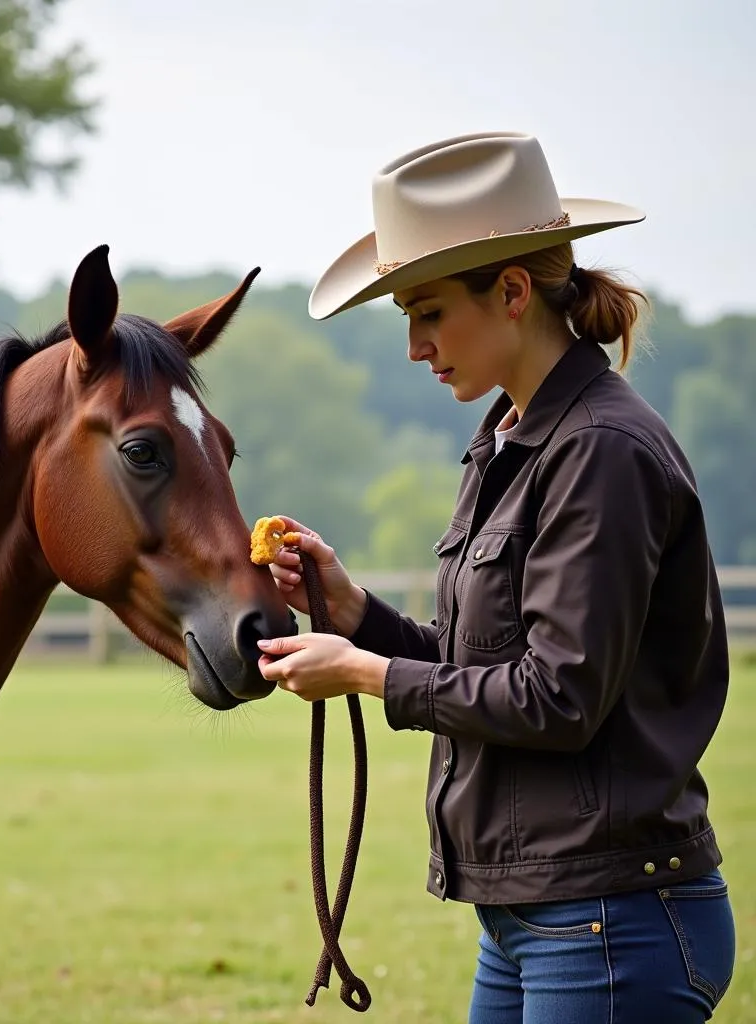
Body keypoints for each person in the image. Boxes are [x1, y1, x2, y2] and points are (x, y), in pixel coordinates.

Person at [255, 131, 736, 1023]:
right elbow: (482, 661)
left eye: (430, 311)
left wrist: (363, 675)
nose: (414, 345)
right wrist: (356, 612)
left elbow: (558, 697)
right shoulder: (515, 440)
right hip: (538, 919)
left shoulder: (598, 452)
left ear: (512, 291)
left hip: (609, 920)